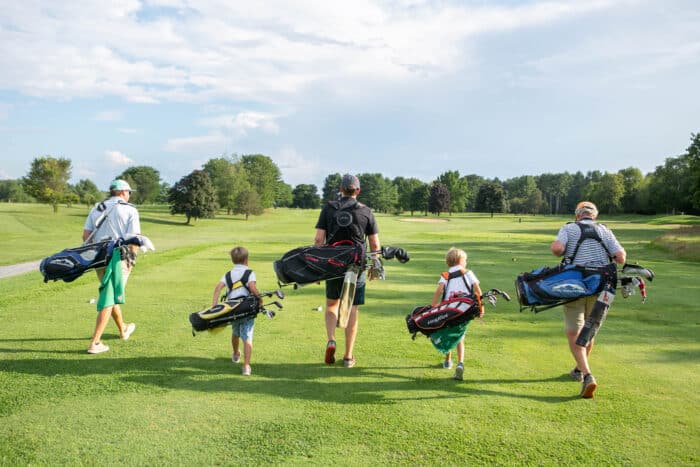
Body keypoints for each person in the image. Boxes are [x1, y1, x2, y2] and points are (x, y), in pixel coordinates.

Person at [550, 201, 626, 398]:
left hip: (575, 285)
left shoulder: (569, 228)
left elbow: (557, 249)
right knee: (589, 329)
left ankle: (587, 375)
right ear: (595, 216)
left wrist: (560, 248)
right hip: (601, 288)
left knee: (574, 332)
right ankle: (578, 369)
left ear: (577, 215)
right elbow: (620, 257)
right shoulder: (604, 230)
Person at [314, 174, 381, 368]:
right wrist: (375, 265)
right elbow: (374, 243)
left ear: (341, 190)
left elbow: (319, 240)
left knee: (331, 304)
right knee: (352, 307)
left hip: (333, 264)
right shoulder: (366, 211)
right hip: (356, 266)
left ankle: (331, 339)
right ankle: (348, 356)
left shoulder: (329, 208)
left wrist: (318, 266)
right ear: (357, 191)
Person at [82, 179, 141, 354]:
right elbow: (134, 239)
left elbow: (85, 235)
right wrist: (132, 260)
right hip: (119, 258)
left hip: (99, 258)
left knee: (111, 293)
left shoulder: (97, 208)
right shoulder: (130, 210)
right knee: (109, 297)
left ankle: (123, 329)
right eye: (129, 192)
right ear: (123, 192)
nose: (129, 195)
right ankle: (95, 342)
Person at [430, 247, 483, 380]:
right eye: (465, 259)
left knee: (448, 333)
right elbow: (477, 290)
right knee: (460, 336)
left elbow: (439, 291)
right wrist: (481, 307)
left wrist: (433, 306)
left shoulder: (445, 275)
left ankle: (447, 361)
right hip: (464, 310)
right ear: (460, 260)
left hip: (448, 311)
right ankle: (460, 363)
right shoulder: (468, 273)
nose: (466, 262)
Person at [211, 246, 260, 376]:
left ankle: (236, 353)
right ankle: (246, 366)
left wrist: (214, 308)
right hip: (247, 309)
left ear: (233, 260)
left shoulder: (227, 274)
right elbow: (253, 288)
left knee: (235, 332)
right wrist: (260, 300)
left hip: (232, 310)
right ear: (246, 260)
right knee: (247, 337)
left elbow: (217, 289)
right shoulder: (249, 273)